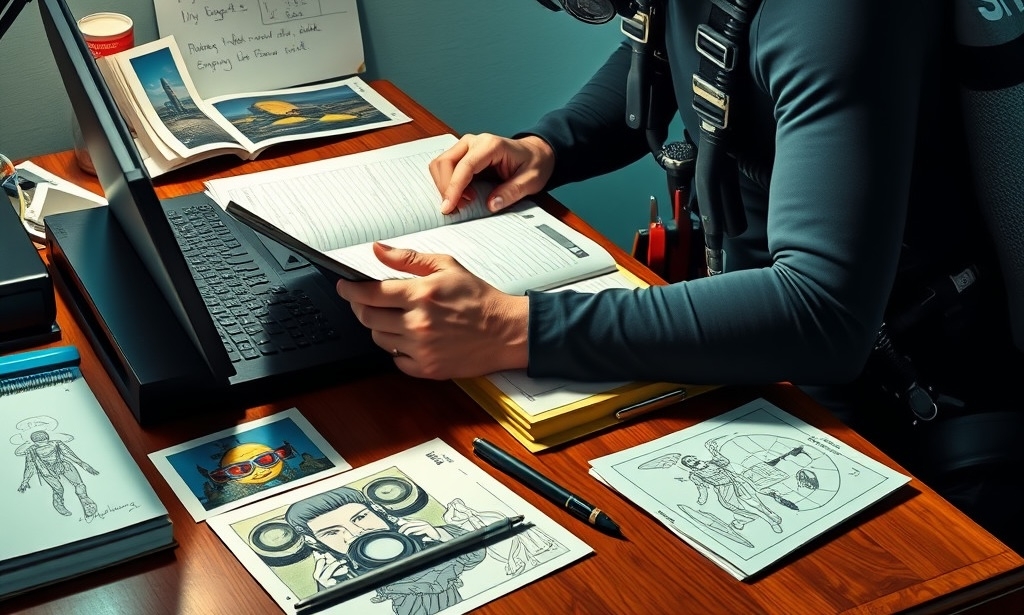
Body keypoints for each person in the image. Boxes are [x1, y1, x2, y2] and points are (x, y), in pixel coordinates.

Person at [335, 1, 1021, 530]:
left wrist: (515, 325)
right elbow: (689, 45)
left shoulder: (838, 12)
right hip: (766, 358)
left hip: (907, 402)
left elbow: (823, 313)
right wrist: (552, 143)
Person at [284, 486, 485, 615]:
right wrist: (329, 592)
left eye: (361, 518)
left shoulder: (424, 536)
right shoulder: (340, 576)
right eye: (331, 533)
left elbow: (478, 555)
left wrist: (443, 537)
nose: (356, 532)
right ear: (315, 542)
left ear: (378, 511)